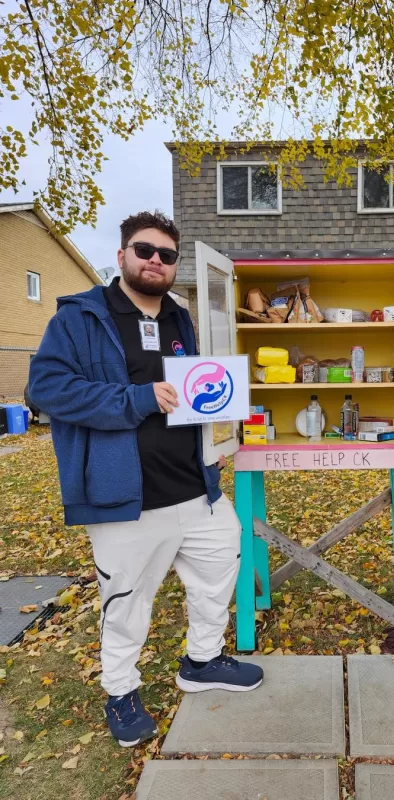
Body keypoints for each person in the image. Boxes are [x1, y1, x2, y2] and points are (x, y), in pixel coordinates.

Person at [29, 210, 263, 748]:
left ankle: (201, 661)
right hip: (123, 497)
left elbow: (199, 388)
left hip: (194, 486)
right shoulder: (80, 318)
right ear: (122, 255)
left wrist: (219, 432)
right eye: (144, 250)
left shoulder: (182, 317)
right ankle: (120, 690)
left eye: (166, 255)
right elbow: (46, 389)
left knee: (219, 572)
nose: (155, 261)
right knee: (127, 601)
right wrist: (134, 399)